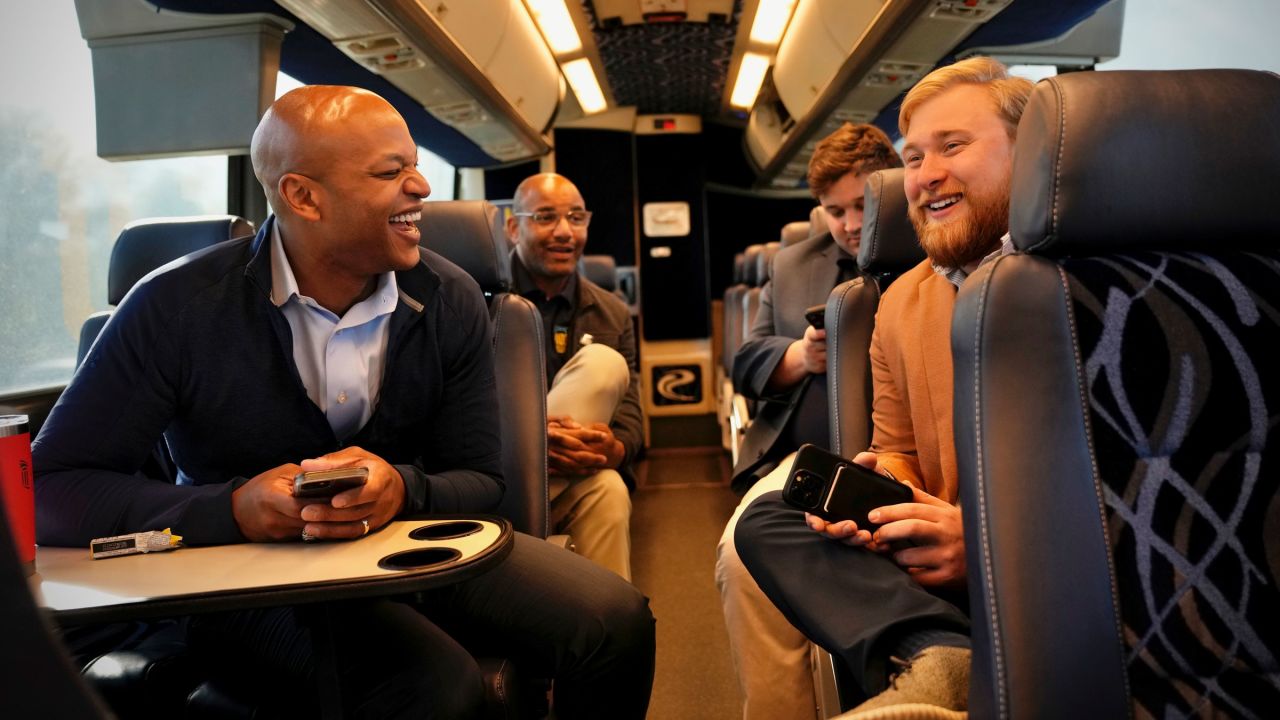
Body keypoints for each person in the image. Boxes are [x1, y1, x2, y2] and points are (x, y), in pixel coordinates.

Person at [33, 85, 654, 719]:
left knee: (616, 622)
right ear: (304, 196)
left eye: (415, 165)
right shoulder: (175, 307)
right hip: (253, 578)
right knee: (435, 688)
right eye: (393, 172)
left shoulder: (451, 296)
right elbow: (52, 488)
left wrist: (401, 489)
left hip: (414, 547)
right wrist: (235, 508)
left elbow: (482, 479)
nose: (420, 188)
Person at [735, 56, 1033, 718]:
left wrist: (979, 544)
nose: (923, 175)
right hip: (929, 547)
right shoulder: (899, 303)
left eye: (952, 146)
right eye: (914, 157)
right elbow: (895, 443)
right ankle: (941, 652)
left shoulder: (1093, 293)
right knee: (769, 519)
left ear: (1033, 151)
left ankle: (938, 655)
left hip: (1051, 568)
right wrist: (882, 490)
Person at [716, 123, 903, 720]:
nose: (849, 224)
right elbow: (745, 362)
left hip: (900, 454)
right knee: (739, 556)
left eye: (864, 205)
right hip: (805, 457)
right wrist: (800, 357)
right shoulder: (793, 262)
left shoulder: (932, 250)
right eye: (833, 210)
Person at [505, 172, 643, 581]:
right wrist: (529, 439)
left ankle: (608, 628)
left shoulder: (611, 312)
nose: (565, 232)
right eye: (546, 217)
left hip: (571, 473)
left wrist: (613, 448)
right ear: (514, 227)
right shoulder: (476, 301)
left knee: (610, 488)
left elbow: (632, 416)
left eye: (576, 218)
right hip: (499, 471)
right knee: (602, 363)